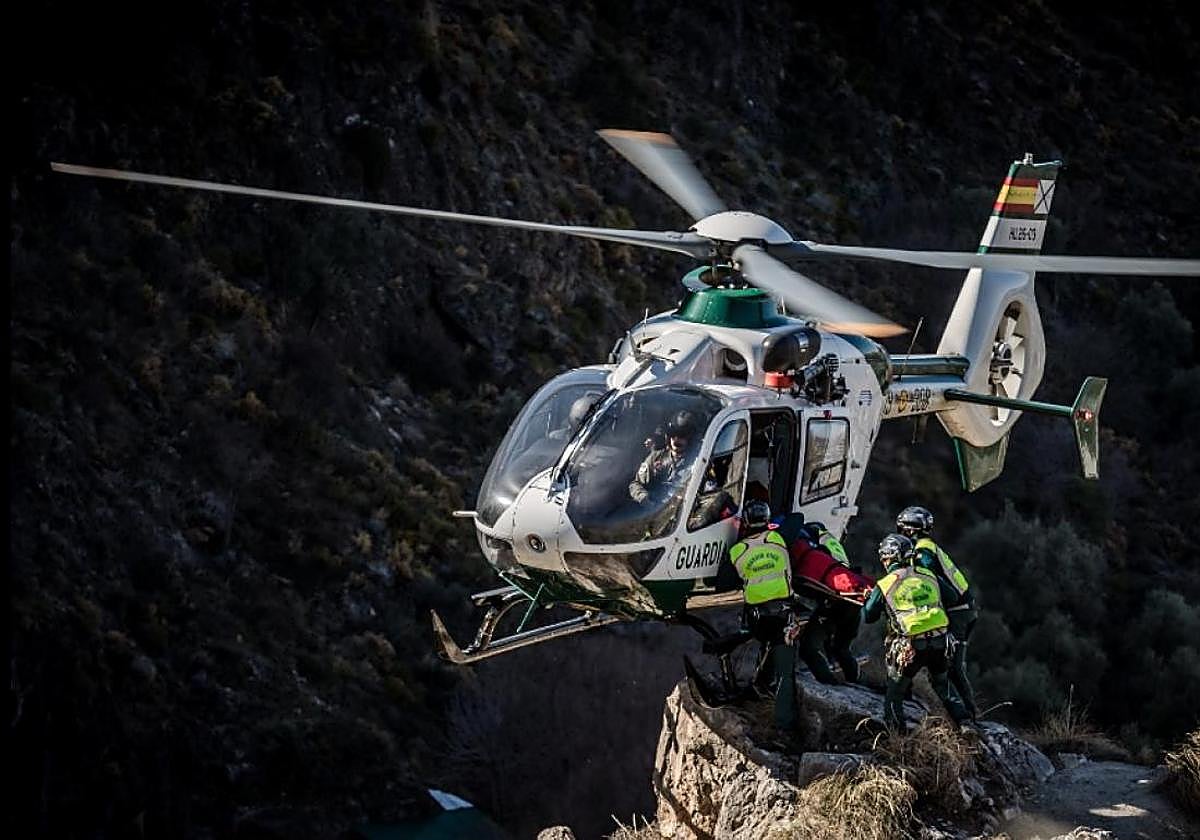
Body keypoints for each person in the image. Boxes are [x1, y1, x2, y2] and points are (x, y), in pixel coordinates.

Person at [862, 533, 969, 733]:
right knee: (942, 685)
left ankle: (898, 740)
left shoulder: (885, 584)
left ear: (890, 557)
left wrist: (874, 600)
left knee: (895, 694)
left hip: (910, 646)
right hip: (939, 640)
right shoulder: (928, 574)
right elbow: (953, 597)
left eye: (883, 557)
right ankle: (966, 724)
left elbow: (868, 616)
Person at [896, 505, 979, 720]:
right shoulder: (928, 546)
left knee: (952, 667)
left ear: (908, 530)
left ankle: (970, 715)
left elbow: (929, 580)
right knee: (948, 663)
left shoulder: (923, 551)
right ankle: (968, 712)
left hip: (957, 611)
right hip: (964, 609)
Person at [788, 524, 874, 684]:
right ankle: (855, 682)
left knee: (808, 648)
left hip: (835, 603)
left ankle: (830, 685)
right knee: (841, 648)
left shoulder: (805, 554)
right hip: (852, 601)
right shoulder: (829, 543)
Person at [629, 410, 698, 504]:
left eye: (682, 435)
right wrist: (643, 497)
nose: (676, 439)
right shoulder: (657, 457)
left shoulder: (697, 463)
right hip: (655, 511)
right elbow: (635, 484)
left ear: (691, 438)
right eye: (673, 434)